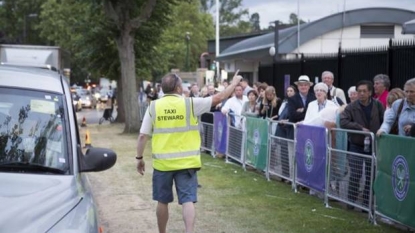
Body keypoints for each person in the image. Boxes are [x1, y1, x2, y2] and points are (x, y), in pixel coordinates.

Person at [136, 72, 242, 233]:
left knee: (162, 201)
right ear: (178, 88)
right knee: (188, 201)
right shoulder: (190, 104)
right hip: (187, 163)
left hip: (163, 165)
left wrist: (139, 158)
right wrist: (234, 84)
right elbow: (218, 98)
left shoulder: (153, 106)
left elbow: (143, 135)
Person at [340, 80, 384, 210]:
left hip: (373, 145)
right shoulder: (351, 107)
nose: (362, 94)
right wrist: (359, 128)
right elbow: (343, 122)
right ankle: (351, 201)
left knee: (371, 174)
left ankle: (366, 203)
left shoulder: (378, 105)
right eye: (359, 91)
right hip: (356, 144)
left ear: (370, 92)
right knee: (356, 173)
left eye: (364, 91)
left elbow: (384, 121)